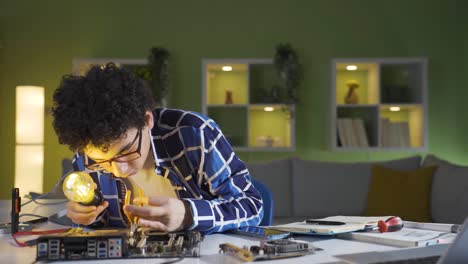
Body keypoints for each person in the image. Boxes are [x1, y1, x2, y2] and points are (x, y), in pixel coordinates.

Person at [52, 63, 263, 234]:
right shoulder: (85, 155)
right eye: (103, 162)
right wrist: (88, 217)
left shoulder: (193, 134)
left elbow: (252, 206)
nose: (119, 171)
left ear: (147, 120)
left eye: (126, 152)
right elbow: (102, 229)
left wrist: (189, 214)